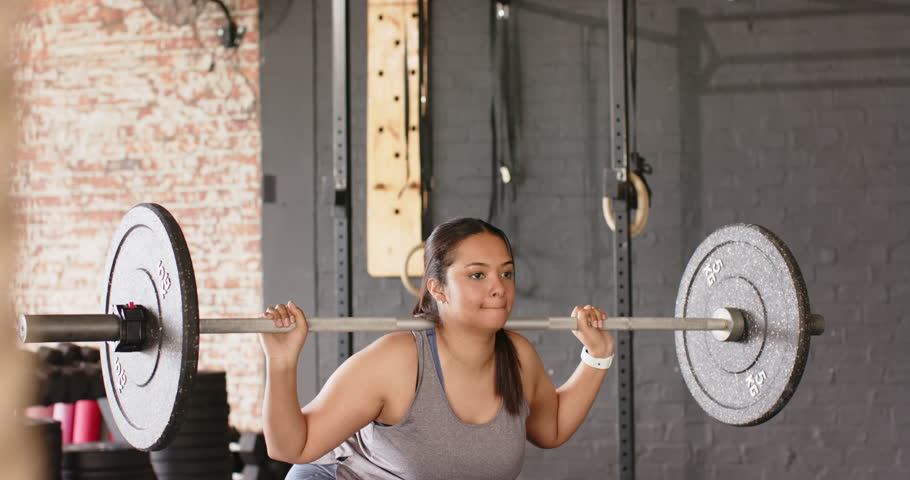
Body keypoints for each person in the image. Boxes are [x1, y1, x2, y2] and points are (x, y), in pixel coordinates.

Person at [260, 218, 615, 480]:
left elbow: (549, 428)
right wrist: (281, 362)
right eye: (477, 275)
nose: (499, 288)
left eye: (506, 274)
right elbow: (292, 447)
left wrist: (597, 357)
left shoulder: (517, 356)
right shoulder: (399, 360)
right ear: (438, 289)